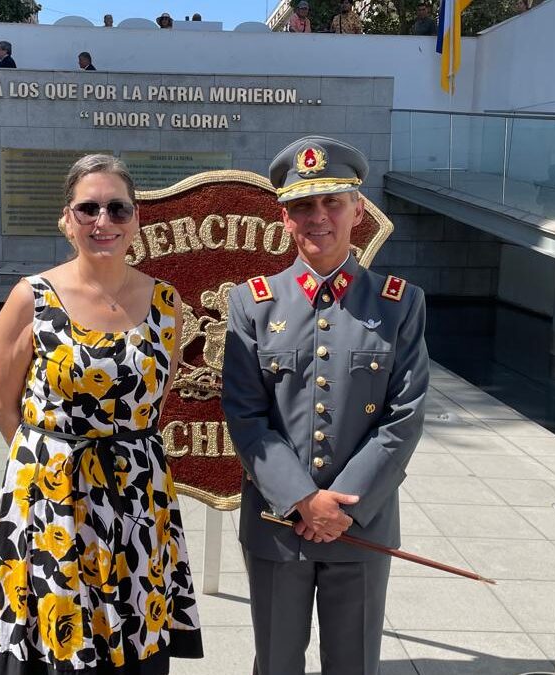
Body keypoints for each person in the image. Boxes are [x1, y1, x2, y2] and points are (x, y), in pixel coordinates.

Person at [0, 154, 204, 674]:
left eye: (117, 208)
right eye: (88, 208)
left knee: (134, 632)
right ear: (67, 219)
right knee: (57, 632)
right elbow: (0, 404)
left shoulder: (166, 303)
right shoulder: (32, 298)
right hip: (53, 499)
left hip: (137, 495)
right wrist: (50, 468)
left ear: (135, 220)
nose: (102, 221)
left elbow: (156, 397)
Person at [222, 136, 429, 675]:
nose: (319, 217)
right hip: (276, 522)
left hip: (361, 525)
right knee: (277, 663)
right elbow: (246, 416)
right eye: (302, 205)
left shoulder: (400, 303)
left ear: (358, 209)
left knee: (354, 664)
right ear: (285, 219)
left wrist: (341, 509)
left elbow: (403, 417)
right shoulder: (252, 303)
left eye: (332, 201)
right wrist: (302, 499)